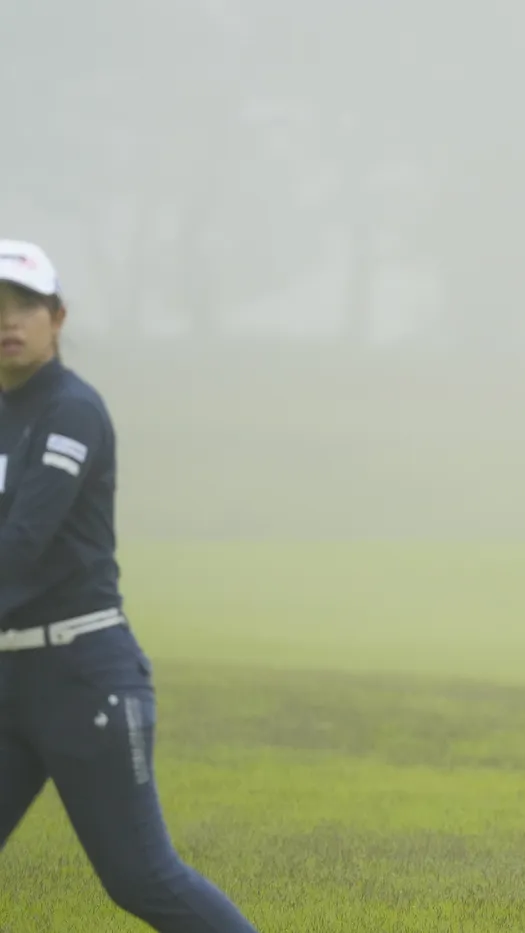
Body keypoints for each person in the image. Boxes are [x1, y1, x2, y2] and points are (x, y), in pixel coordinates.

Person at [0, 240, 260, 932]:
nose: (8, 320)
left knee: (142, 878)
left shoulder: (72, 410)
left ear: (57, 317)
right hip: (10, 677)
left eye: (24, 304)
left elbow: (23, 543)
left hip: (83, 677)